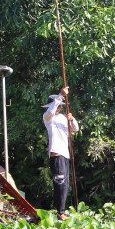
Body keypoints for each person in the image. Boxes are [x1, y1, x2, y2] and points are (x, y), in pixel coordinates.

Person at [42, 86, 79, 220]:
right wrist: (61, 96)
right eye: (56, 106)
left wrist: (71, 119)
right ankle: (60, 212)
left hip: (65, 154)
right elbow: (50, 111)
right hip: (56, 154)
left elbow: (75, 129)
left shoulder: (63, 118)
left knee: (65, 184)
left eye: (59, 107)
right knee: (60, 182)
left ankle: (60, 211)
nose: (57, 108)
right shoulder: (48, 118)